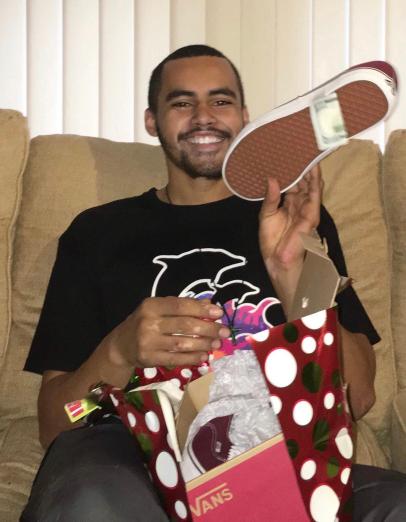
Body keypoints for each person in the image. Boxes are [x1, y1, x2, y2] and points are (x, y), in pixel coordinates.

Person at [21, 45, 406, 521]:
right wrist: (119, 352)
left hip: (273, 445)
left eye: (220, 101)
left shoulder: (294, 218)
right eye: (182, 102)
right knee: (93, 504)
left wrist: (298, 280)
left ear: (244, 117)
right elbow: (59, 422)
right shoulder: (98, 232)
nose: (203, 116)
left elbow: (358, 396)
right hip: (126, 451)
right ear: (151, 121)